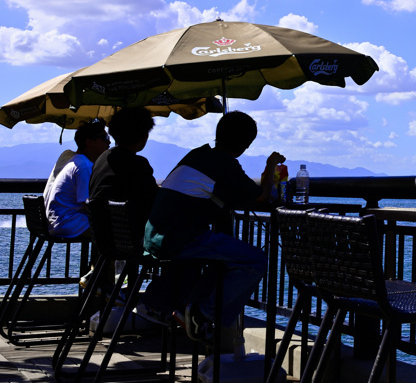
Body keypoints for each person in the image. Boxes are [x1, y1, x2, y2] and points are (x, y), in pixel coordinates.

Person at [144, 111, 284, 342]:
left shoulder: (198, 155)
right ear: (244, 144)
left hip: (156, 235)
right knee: (254, 260)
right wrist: (271, 166)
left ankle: (191, 308)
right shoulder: (222, 163)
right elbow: (260, 196)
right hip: (179, 238)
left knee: (224, 259)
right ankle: (202, 314)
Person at [89, 107, 159, 240]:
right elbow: (152, 202)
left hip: (103, 237)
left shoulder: (103, 159)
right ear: (144, 136)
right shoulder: (137, 164)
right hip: (130, 239)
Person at [43, 120, 110, 238]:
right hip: (70, 225)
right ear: (89, 142)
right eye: (105, 137)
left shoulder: (76, 161)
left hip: (59, 224)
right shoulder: (84, 166)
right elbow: (87, 205)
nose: (109, 142)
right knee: (120, 232)